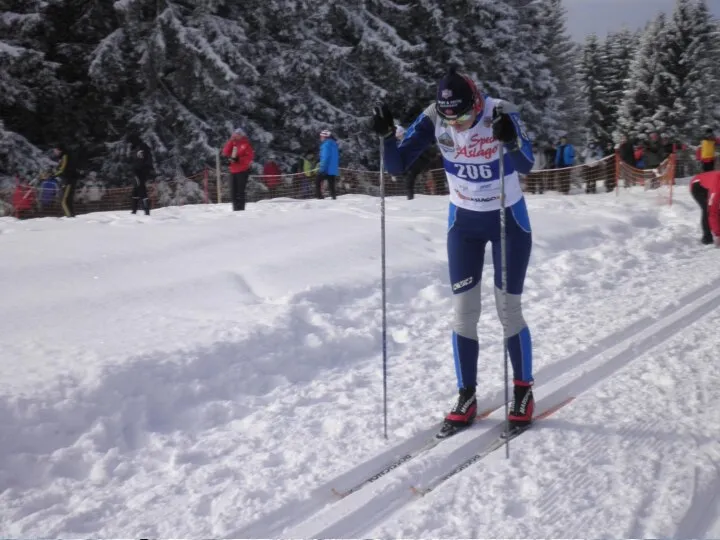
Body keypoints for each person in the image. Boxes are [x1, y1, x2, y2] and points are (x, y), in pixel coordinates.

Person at [371, 65, 535, 437]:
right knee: (464, 313)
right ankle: (467, 395)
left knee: (508, 309)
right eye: (451, 118)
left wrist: (510, 140)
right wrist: (385, 138)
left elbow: (528, 163)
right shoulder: (434, 117)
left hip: (508, 220)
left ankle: (523, 392)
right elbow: (397, 166)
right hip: (463, 225)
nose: (458, 124)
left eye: (463, 115)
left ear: (476, 102)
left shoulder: (500, 111)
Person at [222, 128, 254, 211]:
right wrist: (230, 141)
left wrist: (238, 159)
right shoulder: (233, 143)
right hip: (233, 170)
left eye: (238, 134)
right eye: (235, 134)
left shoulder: (246, 144)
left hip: (242, 170)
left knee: (240, 192)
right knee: (233, 192)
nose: (236, 136)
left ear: (242, 135)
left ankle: (241, 210)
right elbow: (225, 152)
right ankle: (235, 210)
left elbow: (249, 157)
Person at [689, 170, 720, 246]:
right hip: (697, 186)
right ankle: (707, 238)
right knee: (707, 209)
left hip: (710, 183)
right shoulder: (717, 187)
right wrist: (718, 234)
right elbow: (712, 211)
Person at [127, 134, 153, 215]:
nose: (130, 143)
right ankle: (134, 210)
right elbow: (133, 160)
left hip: (142, 171)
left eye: (131, 141)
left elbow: (145, 158)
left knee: (141, 187)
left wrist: (147, 169)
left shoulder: (142, 147)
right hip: (137, 171)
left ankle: (146, 210)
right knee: (136, 188)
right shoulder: (134, 148)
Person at [54, 145, 77, 217]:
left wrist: (54, 174)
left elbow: (62, 169)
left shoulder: (65, 156)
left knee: (64, 201)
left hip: (68, 181)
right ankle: (71, 217)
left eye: (56, 150)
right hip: (67, 180)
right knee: (67, 201)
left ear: (60, 150)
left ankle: (69, 217)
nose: (54, 152)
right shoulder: (63, 157)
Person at [317, 129, 339, 199]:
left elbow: (325, 158)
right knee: (331, 184)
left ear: (325, 137)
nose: (320, 138)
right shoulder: (334, 144)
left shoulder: (326, 145)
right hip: (333, 169)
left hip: (326, 169)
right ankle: (334, 197)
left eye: (321, 136)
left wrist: (322, 168)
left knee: (317, 182)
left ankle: (319, 197)